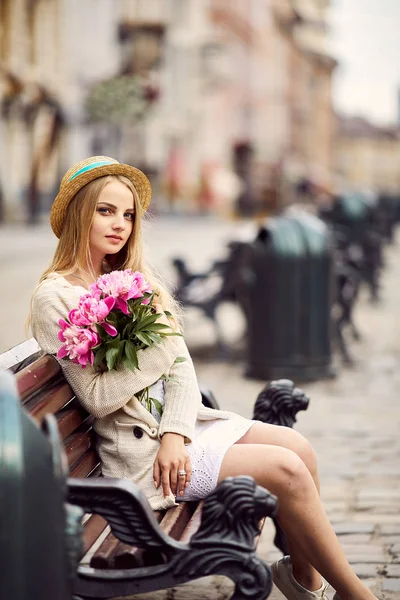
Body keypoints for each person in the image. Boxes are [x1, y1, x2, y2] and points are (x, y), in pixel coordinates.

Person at [29, 156, 378, 600]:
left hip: (178, 435)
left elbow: (183, 368)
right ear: (80, 212)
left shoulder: (131, 280)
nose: (120, 224)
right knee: (286, 469)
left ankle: (302, 580)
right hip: (141, 461)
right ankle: (356, 595)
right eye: (106, 210)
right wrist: (161, 352)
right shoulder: (55, 297)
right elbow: (98, 397)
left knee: (300, 449)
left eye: (129, 214)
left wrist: (175, 430)